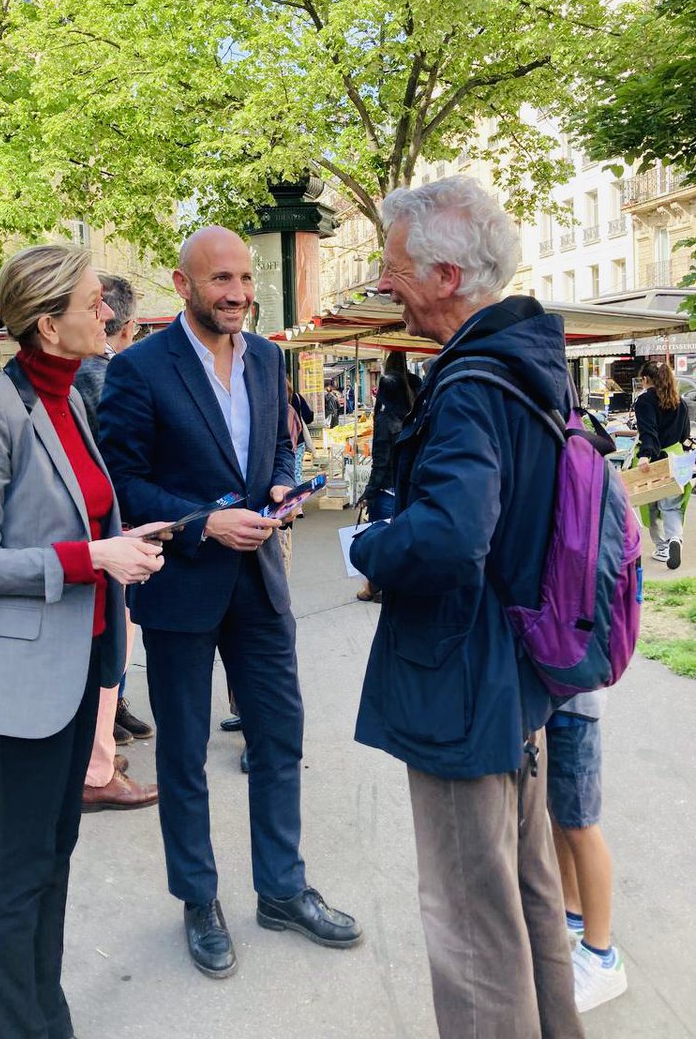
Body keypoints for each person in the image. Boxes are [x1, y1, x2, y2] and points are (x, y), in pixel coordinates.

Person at [350, 177, 583, 1038]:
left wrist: (366, 547)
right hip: (513, 677)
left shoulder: (473, 384)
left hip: (460, 680)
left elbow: (450, 537)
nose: (384, 281)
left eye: (395, 264)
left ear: (447, 276)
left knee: (470, 927)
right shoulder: (524, 365)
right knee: (524, 900)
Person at [99, 225, 361, 979]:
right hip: (182, 585)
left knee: (279, 738)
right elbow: (123, 484)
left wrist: (282, 482)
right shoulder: (138, 370)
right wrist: (199, 522)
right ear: (183, 285)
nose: (240, 293)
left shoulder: (271, 358)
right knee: (183, 756)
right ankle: (198, 899)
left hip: (260, 586)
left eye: (245, 279)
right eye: (221, 280)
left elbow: (277, 447)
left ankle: (281, 890)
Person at [0, 244, 168, 1039]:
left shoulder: (73, 400)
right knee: (21, 868)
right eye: (91, 299)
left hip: (82, 666)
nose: (107, 310)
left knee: (55, 856)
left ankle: (47, 1017)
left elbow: (78, 512)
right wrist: (90, 558)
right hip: (22, 681)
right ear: (48, 322)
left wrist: (124, 539)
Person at [73, 273, 158, 812]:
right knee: (109, 650)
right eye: (93, 308)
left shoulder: (75, 377)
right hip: (104, 538)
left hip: (99, 537)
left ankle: (96, 752)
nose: (103, 320)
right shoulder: (103, 374)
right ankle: (95, 767)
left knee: (105, 650)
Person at [546, 690, 628, 1012]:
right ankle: (573, 912)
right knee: (562, 816)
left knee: (582, 826)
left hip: (574, 708)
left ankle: (601, 956)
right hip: (556, 702)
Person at [355, 350, 422, 602]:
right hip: (409, 487)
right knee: (402, 540)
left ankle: (379, 586)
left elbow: (380, 464)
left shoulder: (385, 421)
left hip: (387, 491)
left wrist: (367, 493)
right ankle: (377, 586)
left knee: (383, 541)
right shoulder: (414, 415)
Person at [634, 359, 691, 569]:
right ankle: (675, 539)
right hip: (676, 458)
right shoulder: (680, 402)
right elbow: (685, 435)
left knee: (651, 506)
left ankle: (662, 548)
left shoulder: (644, 401)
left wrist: (645, 455)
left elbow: (649, 433)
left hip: (654, 461)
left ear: (646, 379)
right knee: (672, 507)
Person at [289, 377, 314, 483]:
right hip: (298, 441)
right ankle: (297, 497)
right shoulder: (297, 397)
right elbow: (309, 417)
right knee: (297, 472)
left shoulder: (274, 398)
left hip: (280, 444)